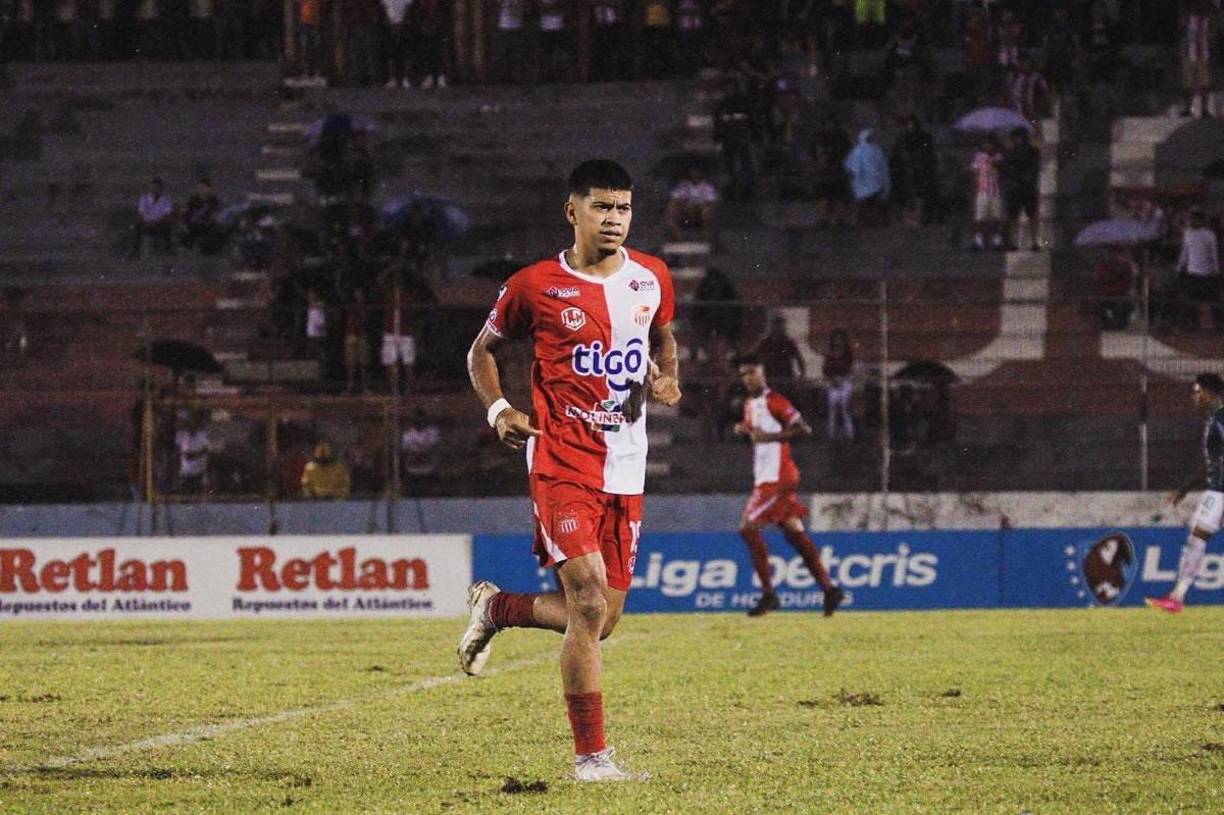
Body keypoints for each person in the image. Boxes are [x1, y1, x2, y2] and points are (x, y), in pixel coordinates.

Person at [460, 159, 681, 781]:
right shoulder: (534, 285)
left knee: (601, 621)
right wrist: (500, 409)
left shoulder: (653, 277)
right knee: (585, 599)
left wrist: (669, 378)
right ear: (573, 211)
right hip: (560, 459)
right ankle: (592, 759)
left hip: (627, 465)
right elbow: (481, 352)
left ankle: (498, 608)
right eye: (601, 207)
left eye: (623, 208)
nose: (614, 219)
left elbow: (665, 340)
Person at [733, 356, 844, 617]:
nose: (749, 378)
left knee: (747, 528)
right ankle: (829, 589)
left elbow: (803, 429)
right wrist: (744, 430)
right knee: (795, 534)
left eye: (753, 372)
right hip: (765, 476)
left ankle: (769, 595)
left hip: (778, 478)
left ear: (763, 372)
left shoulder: (776, 401)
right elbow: (755, 432)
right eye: (744, 374)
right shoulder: (750, 404)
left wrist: (770, 437)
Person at [1147, 373, 1224, 613]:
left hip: (1220, 491)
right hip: (1217, 489)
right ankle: (1177, 596)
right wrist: (1184, 489)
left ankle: (1177, 597)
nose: (1195, 396)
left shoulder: (1221, 418)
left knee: (1198, 537)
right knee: (1197, 536)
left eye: (1198, 391)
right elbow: (1211, 463)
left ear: (1211, 393)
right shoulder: (1214, 420)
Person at [1175, 209, 1222, 330]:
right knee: (1191, 299)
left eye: (1194, 219)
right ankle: (1192, 323)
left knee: (1208, 300)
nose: (1192, 222)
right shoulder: (1188, 234)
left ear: (1200, 220)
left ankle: (1211, 324)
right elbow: (1184, 253)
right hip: (1192, 272)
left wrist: (1216, 270)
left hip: (1206, 273)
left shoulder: (1209, 234)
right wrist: (1179, 268)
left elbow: (1213, 253)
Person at [1000, 128, 1040, 252]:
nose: (1019, 140)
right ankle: (1013, 242)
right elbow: (1005, 169)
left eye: (1021, 137)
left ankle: (1034, 242)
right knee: (1013, 217)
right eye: (1017, 137)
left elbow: (1035, 168)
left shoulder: (1032, 151)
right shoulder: (1009, 152)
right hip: (1014, 188)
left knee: (1032, 216)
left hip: (1027, 187)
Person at [843, 128, 890, 226]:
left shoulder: (874, 151)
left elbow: (850, 168)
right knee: (867, 205)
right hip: (867, 184)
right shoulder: (861, 151)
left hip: (870, 184)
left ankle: (870, 222)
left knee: (870, 205)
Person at [665, 165, 718, 241]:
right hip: (685, 208)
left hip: (700, 209)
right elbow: (675, 198)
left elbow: (710, 201)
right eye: (693, 172)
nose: (694, 174)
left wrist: (697, 206)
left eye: (697, 172)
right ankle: (678, 236)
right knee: (672, 209)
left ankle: (706, 235)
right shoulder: (683, 185)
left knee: (707, 211)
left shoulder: (707, 187)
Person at [1181, 1, 1214, 118]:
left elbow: (1212, 36)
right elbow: (1182, 35)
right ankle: (1187, 108)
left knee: (1205, 83)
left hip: (1204, 54)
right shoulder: (1187, 19)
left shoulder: (1208, 21)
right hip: (1190, 53)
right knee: (1188, 83)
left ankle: (1204, 109)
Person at [970, 137, 1003, 250]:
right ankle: (978, 241)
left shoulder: (998, 156)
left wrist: (995, 163)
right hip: (982, 191)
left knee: (996, 217)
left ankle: (996, 241)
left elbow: (1002, 170)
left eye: (990, 144)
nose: (988, 146)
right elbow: (974, 171)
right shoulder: (978, 156)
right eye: (986, 143)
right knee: (980, 218)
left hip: (995, 192)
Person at [131, 177, 175, 258]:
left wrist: (157, 222)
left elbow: (167, 215)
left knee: (167, 227)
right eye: (153, 187)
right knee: (138, 227)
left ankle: (168, 250)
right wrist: (146, 222)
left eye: (157, 187)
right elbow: (140, 213)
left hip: (160, 223)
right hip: (146, 223)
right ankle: (135, 251)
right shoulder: (144, 198)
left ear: (161, 188)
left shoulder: (166, 200)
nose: (155, 189)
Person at [822, 329, 854, 440]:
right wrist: (832, 378)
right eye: (836, 338)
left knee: (845, 409)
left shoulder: (847, 353)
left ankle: (849, 435)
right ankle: (831, 435)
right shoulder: (829, 354)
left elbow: (849, 368)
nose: (838, 341)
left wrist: (842, 379)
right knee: (832, 410)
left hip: (845, 382)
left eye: (840, 338)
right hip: (832, 383)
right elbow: (825, 369)